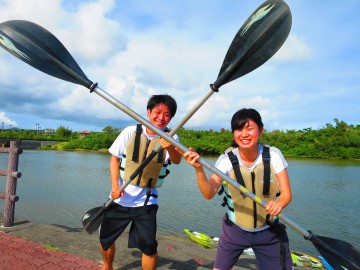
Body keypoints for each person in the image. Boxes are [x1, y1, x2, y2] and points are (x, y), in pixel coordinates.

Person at [181, 108, 294, 270]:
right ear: (234, 133)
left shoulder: (274, 156)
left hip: (269, 232)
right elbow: (209, 193)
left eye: (250, 128)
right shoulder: (226, 160)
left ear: (260, 130)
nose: (244, 134)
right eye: (239, 129)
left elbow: (286, 193)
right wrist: (199, 169)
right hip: (235, 231)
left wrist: (279, 204)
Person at [99, 94, 182, 270]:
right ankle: (107, 266)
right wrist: (114, 185)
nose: (161, 118)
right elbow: (114, 158)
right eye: (157, 112)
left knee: (149, 246)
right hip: (119, 198)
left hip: (146, 202)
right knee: (105, 239)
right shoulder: (130, 132)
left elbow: (176, 160)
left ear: (171, 118)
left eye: (167, 114)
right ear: (148, 112)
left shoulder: (172, 137)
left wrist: (171, 147)